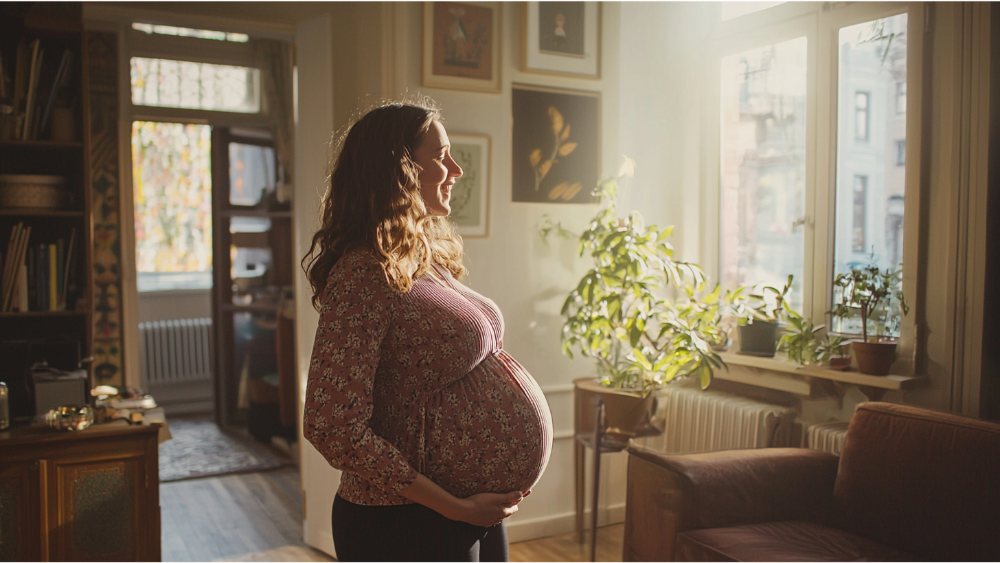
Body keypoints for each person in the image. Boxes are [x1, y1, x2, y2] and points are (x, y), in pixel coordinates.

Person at [302, 99, 553, 563]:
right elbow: (331, 425)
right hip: (403, 521)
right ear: (397, 170)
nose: (455, 169)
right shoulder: (362, 272)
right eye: (440, 156)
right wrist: (454, 506)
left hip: (463, 513)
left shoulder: (421, 260)